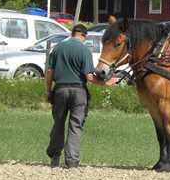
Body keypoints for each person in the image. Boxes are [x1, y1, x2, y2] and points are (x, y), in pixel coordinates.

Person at [45, 24, 118, 168]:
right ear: (84, 36)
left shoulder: (58, 48)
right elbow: (89, 77)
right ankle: (72, 161)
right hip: (79, 92)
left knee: (58, 124)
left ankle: (55, 155)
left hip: (60, 89)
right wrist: (107, 83)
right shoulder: (84, 50)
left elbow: (49, 71)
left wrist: (48, 91)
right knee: (75, 125)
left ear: (73, 34)